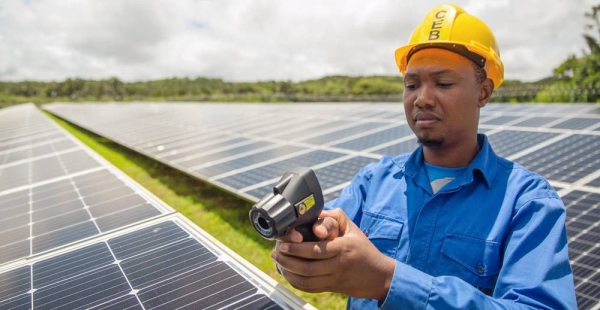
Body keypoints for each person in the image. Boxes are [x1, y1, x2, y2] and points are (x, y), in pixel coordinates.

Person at [271, 3, 577, 309]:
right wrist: (302, 245)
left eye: (443, 83)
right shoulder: (373, 181)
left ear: (483, 92)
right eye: (411, 84)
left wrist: (387, 281)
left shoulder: (529, 203)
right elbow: (323, 238)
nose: (422, 98)